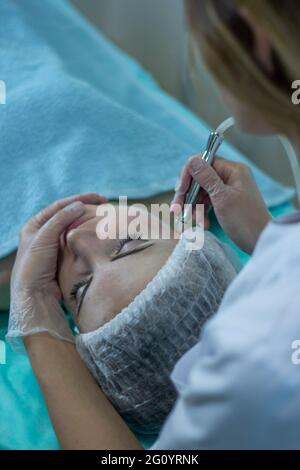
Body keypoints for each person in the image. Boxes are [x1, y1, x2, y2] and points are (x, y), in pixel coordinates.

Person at [6, 0, 300, 449]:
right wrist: (265, 238)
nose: (78, 235)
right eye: (128, 242)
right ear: (182, 223)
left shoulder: (248, 380)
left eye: (78, 290)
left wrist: (32, 313)